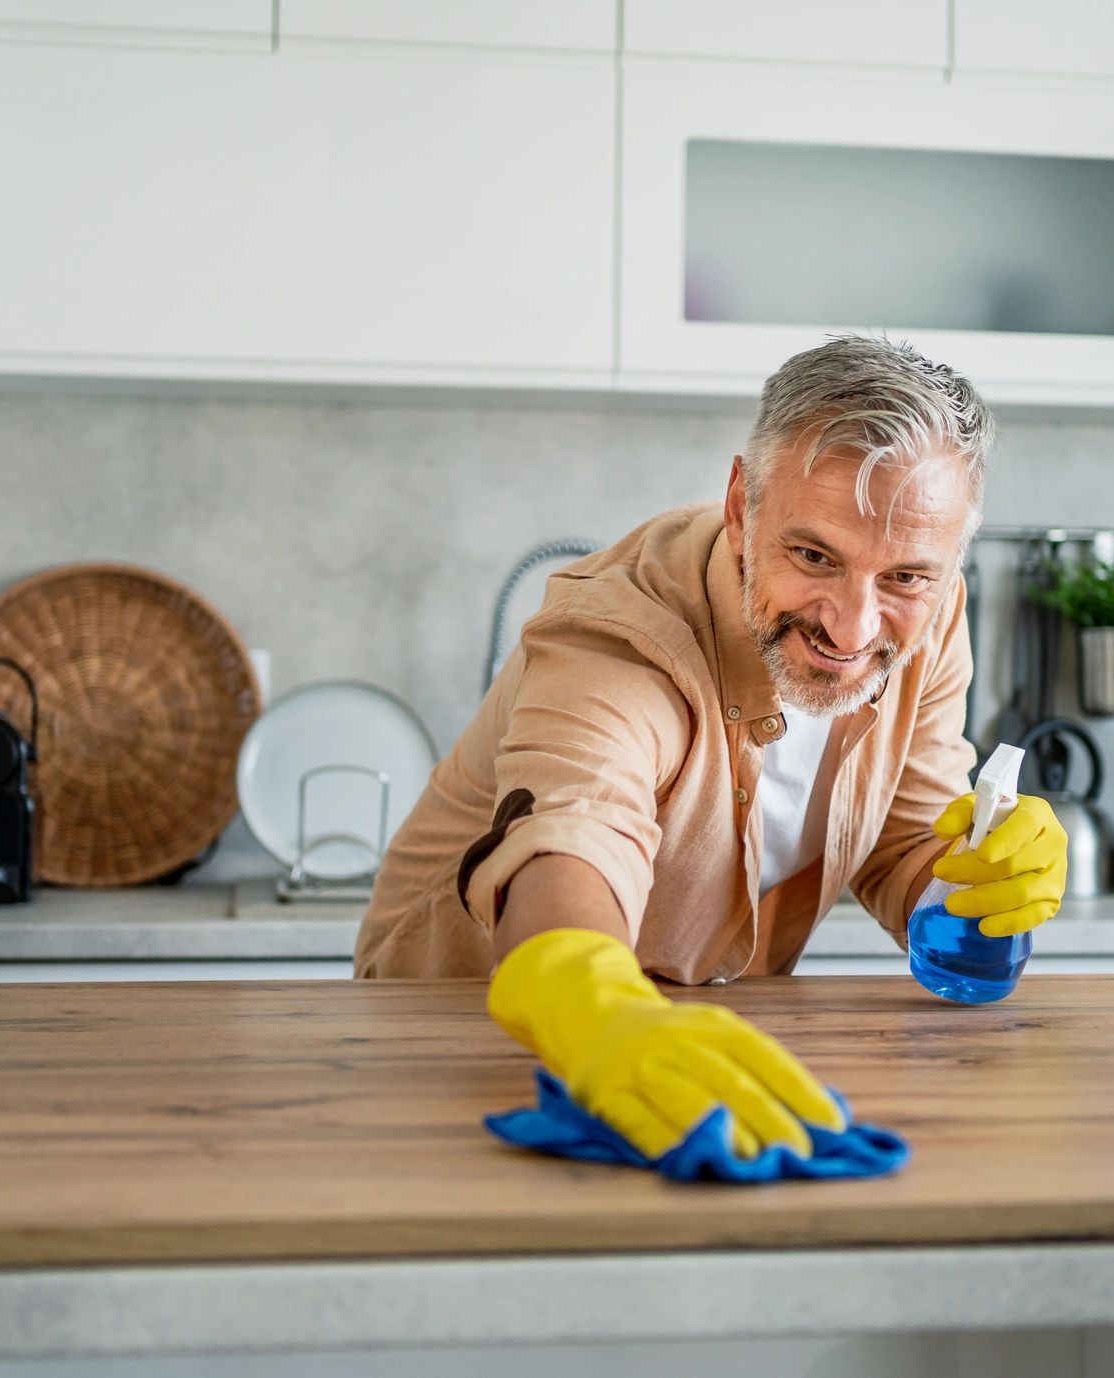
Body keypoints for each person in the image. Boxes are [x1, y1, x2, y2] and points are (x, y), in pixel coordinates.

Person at [355, 335, 1069, 1161]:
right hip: (460, 1045)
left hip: (700, 1045)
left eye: (906, 577)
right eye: (813, 556)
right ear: (741, 505)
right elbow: (571, 835)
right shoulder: (621, 630)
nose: (854, 625)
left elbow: (899, 843)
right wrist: (593, 1009)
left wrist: (978, 872)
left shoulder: (934, 611)